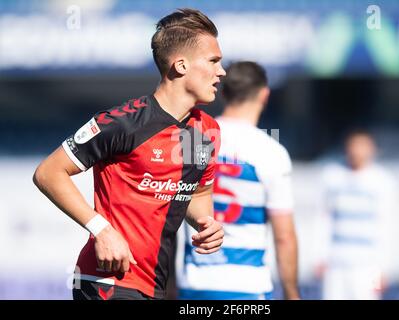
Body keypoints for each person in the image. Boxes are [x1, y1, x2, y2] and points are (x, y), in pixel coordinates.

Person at [33, 8, 226, 300]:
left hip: (156, 285)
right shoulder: (123, 122)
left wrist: (206, 224)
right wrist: (102, 230)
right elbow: (49, 172)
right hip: (107, 281)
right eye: (213, 61)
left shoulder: (206, 131)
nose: (221, 72)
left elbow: (197, 194)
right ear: (181, 65)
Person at [177, 61, 300, 300]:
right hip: (245, 286)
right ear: (264, 95)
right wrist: (292, 293)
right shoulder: (271, 152)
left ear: (223, 92)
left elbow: (168, 219)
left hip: (194, 284)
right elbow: (284, 236)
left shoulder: (194, 140)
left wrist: (170, 282)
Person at [316, 130, 396, 300]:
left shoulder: (382, 180)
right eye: (354, 145)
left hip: (367, 266)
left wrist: (383, 270)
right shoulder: (332, 176)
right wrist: (320, 256)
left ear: (372, 150)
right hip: (336, 265)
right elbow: (323, 219)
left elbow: (386, 226)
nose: (357, 151)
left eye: (362, 146)